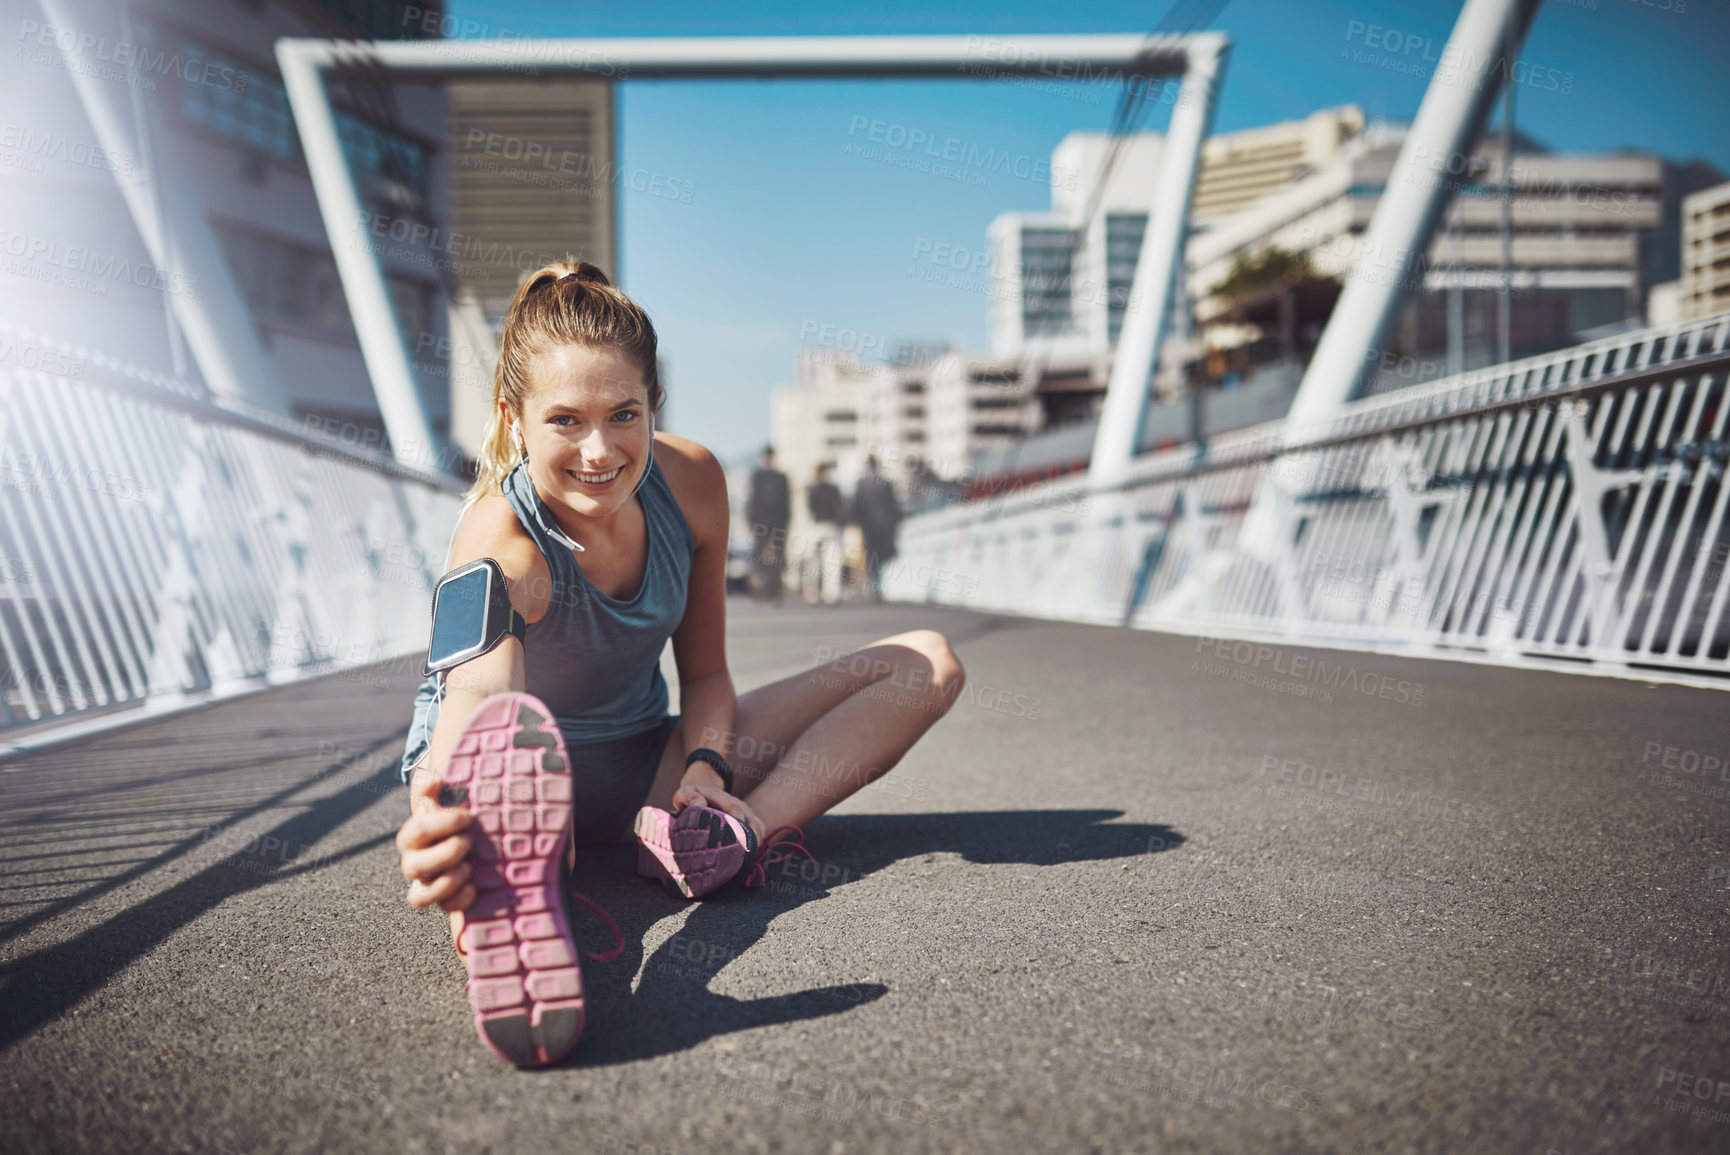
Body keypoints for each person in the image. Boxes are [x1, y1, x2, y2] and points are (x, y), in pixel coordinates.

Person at [391, 261, 966, 1068]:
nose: (600, 450)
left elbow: (704, 675)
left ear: (655, 403)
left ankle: (733, 834)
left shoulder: (692, 482)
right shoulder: (497, 536)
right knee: (487, 844)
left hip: (644, 769)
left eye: (624, 413)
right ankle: (507, 897)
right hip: (506, 780)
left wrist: (706, 766)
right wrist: (445, 798)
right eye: (565, 420)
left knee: (927, 661)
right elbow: (476, 692)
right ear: (513, 419)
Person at [852, 454, 901, 602]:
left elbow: (856, 507)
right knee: (882, 556)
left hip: (868, 526)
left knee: (871, 556)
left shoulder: (861, 483)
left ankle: (874, 586)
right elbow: (893, 506)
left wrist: (858, 524)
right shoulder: (886, 483)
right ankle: (879, 586)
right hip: (884, 525)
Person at [744, 446, 790, 605]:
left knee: (776, 559)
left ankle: (773, 590)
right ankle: (762, 589)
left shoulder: (780, 477)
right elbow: (752, 501)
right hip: (761, 524)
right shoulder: (757, 477)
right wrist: (751, 522)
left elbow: (786, 504)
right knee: (760, 558)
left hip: (776, 524)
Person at [803, 463, 844, 606]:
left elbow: (809, 508)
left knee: (813, 564)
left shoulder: (812, 489)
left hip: (816, 527)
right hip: (830, 526)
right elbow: (840, 508)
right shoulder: (833, 489)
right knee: (831, 562)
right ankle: (831, 594)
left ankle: (811, 593)